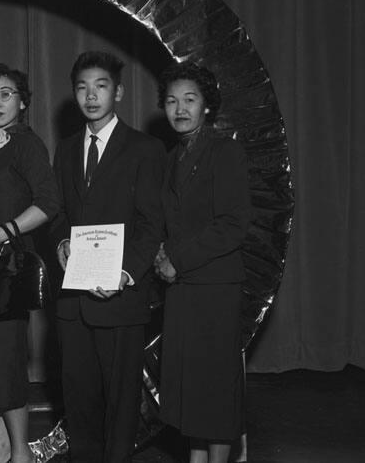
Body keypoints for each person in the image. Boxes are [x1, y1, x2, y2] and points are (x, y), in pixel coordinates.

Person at [52, 51, 165, 462]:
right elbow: (59, 212)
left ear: (117, 92)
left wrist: (126, 273)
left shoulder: (146, 149)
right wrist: (62, 243)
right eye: (82, 87)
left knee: (120, 403)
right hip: (74, 300)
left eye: (100, 86)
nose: (91, 95)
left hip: (120, 296)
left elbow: (153, 224)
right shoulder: (64, 149)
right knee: (79, 400)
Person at [0, 63, 59, 463]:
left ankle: (21, 451)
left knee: (6, 357)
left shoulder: (28, 144)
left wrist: (3, 231)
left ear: (22, 100)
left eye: (5, 93)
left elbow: (49, 205)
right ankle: (0, 445)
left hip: (9, 267)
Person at [153, 62, 251, 463]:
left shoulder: (224, 151)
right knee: (190, 388)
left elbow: (233, 224)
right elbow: (170, 220)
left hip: (214, 288)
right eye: (172, 101)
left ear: (206, 106)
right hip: (182, 290)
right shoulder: (172, 156)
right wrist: (162, 253)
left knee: (214, 388)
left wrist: (177, 259)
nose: (180, 109)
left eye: (190, 100)